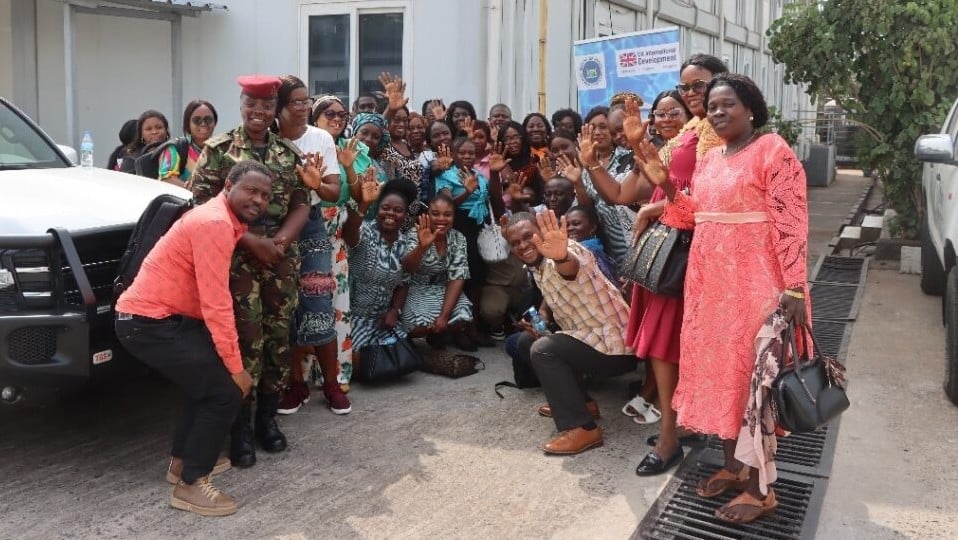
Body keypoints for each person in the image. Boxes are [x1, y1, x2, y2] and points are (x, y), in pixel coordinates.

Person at [634, 72, 809, 524]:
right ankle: (734, 467)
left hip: (755, 288)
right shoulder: (710, 159)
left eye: (727, 103)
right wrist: (668, 187)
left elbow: (792, 222)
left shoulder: (773, 150)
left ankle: (761, 490)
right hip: (709, 290)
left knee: (755, 387)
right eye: (711, 105)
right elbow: (694, 215)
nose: (716, 111)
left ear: (750, 107)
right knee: (724, 382)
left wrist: (793, 286)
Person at [588, 54, 729, 478]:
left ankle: (671, 438)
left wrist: (660, 207)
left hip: (692, 250)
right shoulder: (691, 130)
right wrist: (615, 153)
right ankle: (680, 425)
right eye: (684, 87)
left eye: (697, 86)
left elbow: (712, 196)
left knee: (672, 348)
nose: (690, 95)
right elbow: (631, 187)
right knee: (669, 348)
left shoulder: (720, 134)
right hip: (668, 252)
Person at [114, 160, 272, 516]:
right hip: (148, 322)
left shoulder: (222, 219)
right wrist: (235, 368)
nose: (259, 199)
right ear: (228, 184)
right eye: (251, 190)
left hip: (165, 320)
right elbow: (216, 303)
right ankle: (191, 485)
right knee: (225, 391)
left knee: (205, 383)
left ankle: (182, 463)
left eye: (265, 195)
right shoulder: (215, 222)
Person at [191, 75, 310, 468]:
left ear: (275, 109)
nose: (258, 113)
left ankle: (267, 421)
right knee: (243, 344)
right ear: (240, 105)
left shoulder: (288, 153)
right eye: (251, 105)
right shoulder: (219, 150)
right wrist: (250, 241)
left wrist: (278, 244)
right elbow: (202, 209)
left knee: (277, 339)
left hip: (278, 261)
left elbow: (300, 204)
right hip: (234, 261)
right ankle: (239, 429)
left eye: (266, 106)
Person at [504, 210, 634, 455]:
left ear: (542, 233)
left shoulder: (566, 252)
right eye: (515, 243)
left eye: (527, 237)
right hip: (590, 340)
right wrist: (542, 321)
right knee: (524, 342)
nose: (522, 246)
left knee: (544, 351)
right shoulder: (536, 265)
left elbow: (569, 267)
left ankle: (583, 429)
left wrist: (562, 256)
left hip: (618, 348)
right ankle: (583, 404)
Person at [272, 76, 345, 416]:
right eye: (295, 102)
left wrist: (317, 183)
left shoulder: (321, 139)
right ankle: (295, 385)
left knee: (317, 299)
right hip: (273, 224)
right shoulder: (268, 138)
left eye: (306, 101)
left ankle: (331, 383)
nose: (302, 108)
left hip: (312, 222)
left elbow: (334, 192)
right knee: (283, 308)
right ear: (280, 107)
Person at [309, 94, 373, 396]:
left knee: (338, 307)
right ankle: (303, 374)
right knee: (307, 303)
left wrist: (347, 166)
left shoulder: (354, 148)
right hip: (307, 232)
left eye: (342, 114)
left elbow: (361, 195)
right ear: (315, 117)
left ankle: (337, 372)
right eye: (329, 113)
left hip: (337, 235)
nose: (337, 118)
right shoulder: (305, 144)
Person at [435, 136, 506, 347]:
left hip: (478, 230)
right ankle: (459, 329)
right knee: (460, 280)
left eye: (471, 153)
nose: (467, 156)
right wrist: (467, 191)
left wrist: (494, 174)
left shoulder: (480, 176)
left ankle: (473, 326)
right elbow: (446, 206)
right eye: (462, 153)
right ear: (454, 155)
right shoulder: (446, 176)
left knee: (477, 281)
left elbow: (494, 200)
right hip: (458, 229)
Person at [344, 177, 417, 362]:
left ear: (405, 215)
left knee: (402, 360)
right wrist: (364, 204)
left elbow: (404, 282)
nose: (390, 213)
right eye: (385, 208)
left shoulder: (405, 242)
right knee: (359, 362)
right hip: (355, 316)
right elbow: (350, 234)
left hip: (384, 320)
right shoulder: (366, 231)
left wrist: (395, 310)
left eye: (398, 210)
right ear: (378, 209)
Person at [400, 195, 475, 348]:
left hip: (442, 288)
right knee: (415, 326)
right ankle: (419, 340)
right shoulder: (415, 234)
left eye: (447, 214)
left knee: (463, 317)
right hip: (416, 288)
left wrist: (444, 316)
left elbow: (457, 278)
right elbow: (408, 268)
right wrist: (422, 246)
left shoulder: (458, 238)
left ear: (454, 216)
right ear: (427, 215)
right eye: (435, 214)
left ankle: (438, 335)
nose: (441, 219)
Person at [158, 100, 219, 188]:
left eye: (208, 119)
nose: (203, 124)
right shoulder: (176, 148)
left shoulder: (222, 148)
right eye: (197, 120)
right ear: (188, 124)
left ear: (215, 122)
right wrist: (193, 190)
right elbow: (166, 179)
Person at [564, 205, 617, 286]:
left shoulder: (589, 250)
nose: (570, 228)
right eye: (567, 225)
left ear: (592, 227)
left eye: (576, 223)